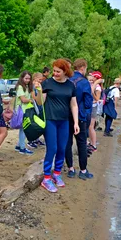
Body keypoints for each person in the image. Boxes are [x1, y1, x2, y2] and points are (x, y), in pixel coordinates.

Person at [35, 59, 79, 193]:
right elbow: (40, 102)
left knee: (63, 148)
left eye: (58, 71)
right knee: (52, 148)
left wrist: (76, 122)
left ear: (65, 71)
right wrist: (37, 91)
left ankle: (57, 173)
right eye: (54, 71)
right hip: (50, 120)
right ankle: (46, 178)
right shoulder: (48, 83)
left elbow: (74, 104)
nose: (55, 73)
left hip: (64, 121)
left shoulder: (71, 85)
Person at [65, 59, 93, 180]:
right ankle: (83, 170)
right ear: (82, 68)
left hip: (66, 116)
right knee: (81, 143)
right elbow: (88, 103)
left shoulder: (67, 80)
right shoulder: (84, 82)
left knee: (67, 143)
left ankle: (71, 168)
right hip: (80, 116)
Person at [14, 71, 34, 155]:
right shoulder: (20, 87)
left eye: (29, 78)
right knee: (24, 129)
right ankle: (22, 148)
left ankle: (19, 146)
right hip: (22, 110)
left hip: (26, 110)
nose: (27, 80)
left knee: (24, 129)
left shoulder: (27, 87)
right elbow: (23, 99)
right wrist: (31, 101)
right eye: (26, 78)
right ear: (22, 78)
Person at [29, 72, 46, 148]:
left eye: (41, 80)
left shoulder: (38, 85)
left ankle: (37, 139)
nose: (40, 81)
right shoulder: (32, 86)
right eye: (39, 79)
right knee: (35, 123)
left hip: (39, 107)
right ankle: (31, 140)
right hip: (34, 107)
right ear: (35, 78)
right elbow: (34, 97)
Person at [88, 71, 103, 151]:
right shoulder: (92, 84)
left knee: (91, 126)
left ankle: (93, 144)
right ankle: (90, 142)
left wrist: (92, 93)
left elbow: (97, 99)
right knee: (88, 126)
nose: (91, 78)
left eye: (93, 77)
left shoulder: (97, 87)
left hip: (93, 107)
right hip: (89, 107)